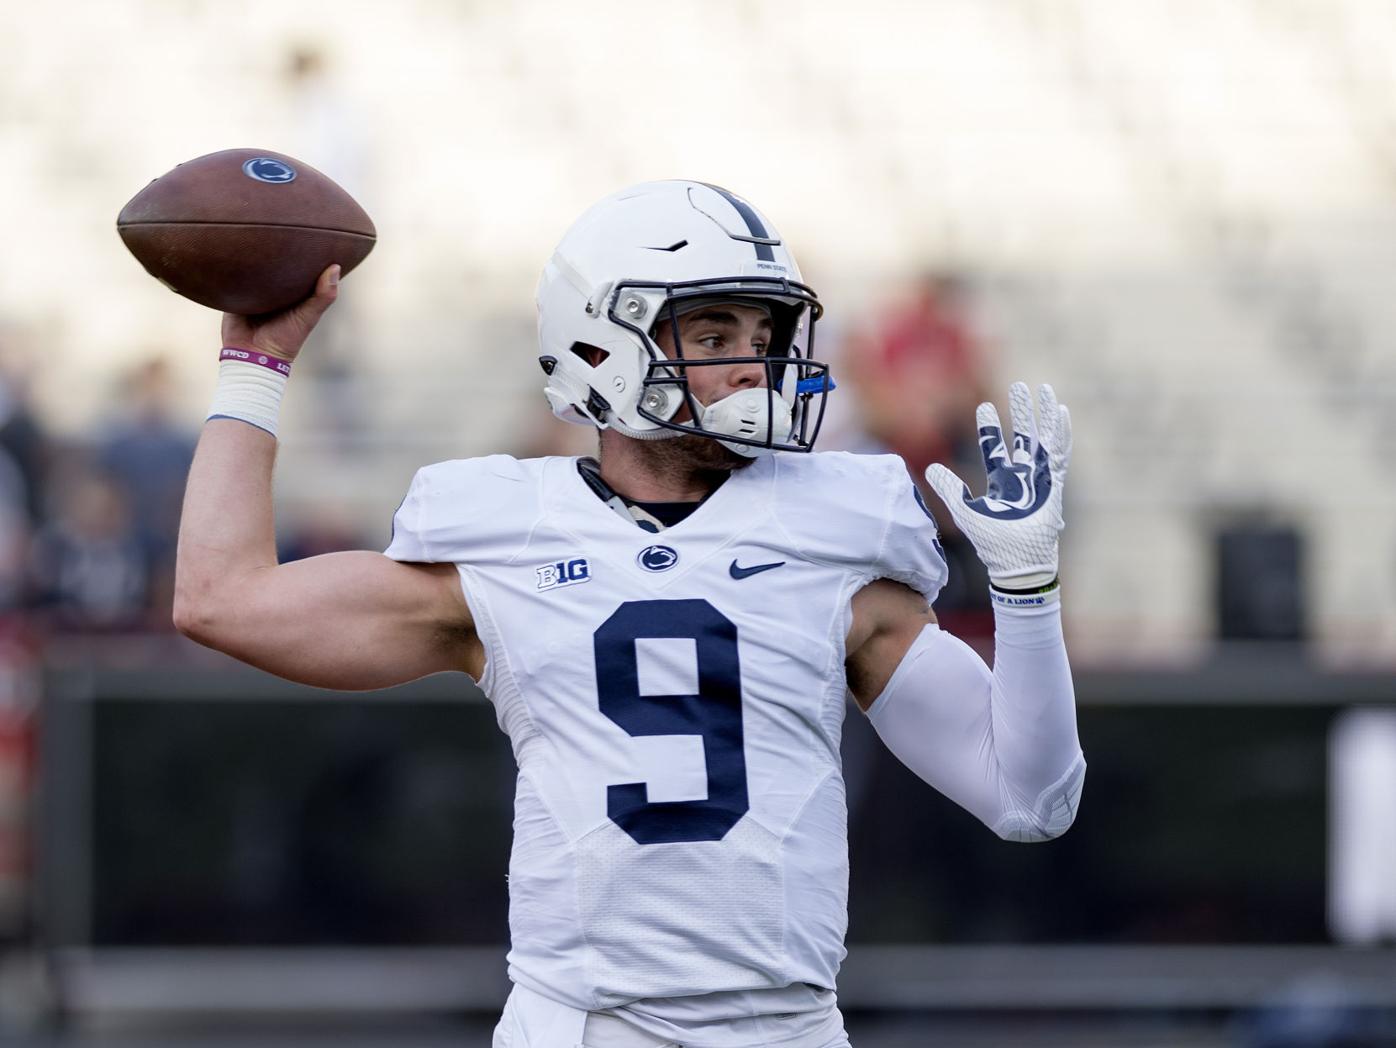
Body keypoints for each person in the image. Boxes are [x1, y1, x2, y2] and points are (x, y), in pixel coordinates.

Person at [174, 181, 1085, 1048]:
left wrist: (1027, 596)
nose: (754, 364)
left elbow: (1030, 796)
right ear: (602, 345)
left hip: (784, 1027)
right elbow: (223, 599)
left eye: (762, 331)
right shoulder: (501, 543)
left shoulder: (836, 541)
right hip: (579, 1024)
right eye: (715, 331)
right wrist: (256, 366)